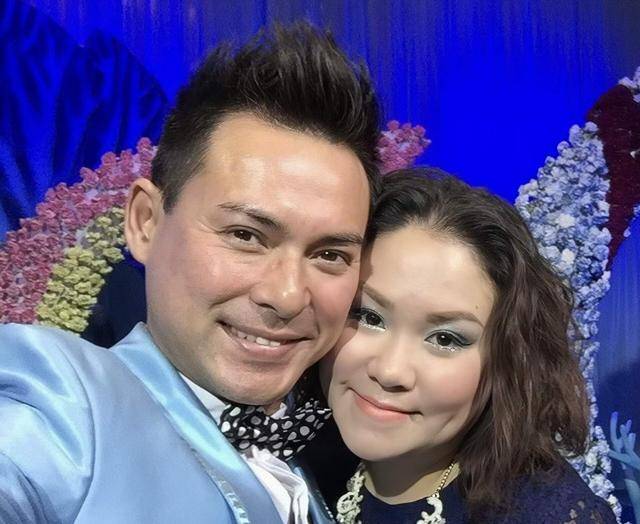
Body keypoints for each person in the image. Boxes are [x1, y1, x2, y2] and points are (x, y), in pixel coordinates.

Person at [0, 22, 380, 523]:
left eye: (330, 254)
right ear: (145, 222)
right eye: (245, 235)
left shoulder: (329, 464)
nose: (288, 295)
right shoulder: (63, 403)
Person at [320, 169, 617, 523]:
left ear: (507, 361)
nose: (389, 371)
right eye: (369, 316)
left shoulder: (544, 514)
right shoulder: (292, 449)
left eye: (444, 339)